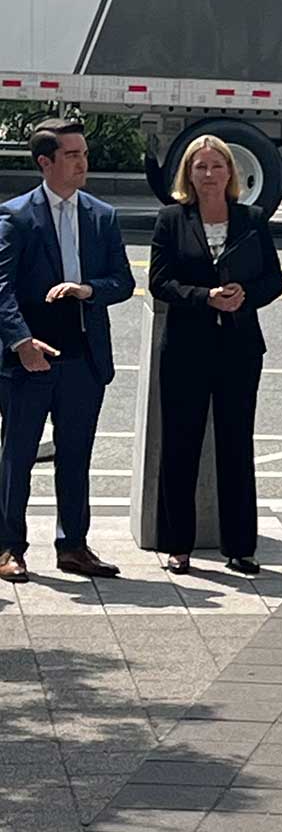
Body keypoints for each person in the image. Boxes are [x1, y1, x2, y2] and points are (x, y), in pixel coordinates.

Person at [0, 118, 135, 583]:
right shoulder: (17, 217)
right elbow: (1, 290)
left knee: (76, 456)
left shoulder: (101, 215)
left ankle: (73, 545)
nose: (83, 162)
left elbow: (123, 281)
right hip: (30, 360)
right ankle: (8, 548)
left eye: (83, 153)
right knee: (17, 455)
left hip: (84, 359)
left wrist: (87, 289)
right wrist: (21, 342)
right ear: (46, 162)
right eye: (72, 155)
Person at [149, 134, 282, 575]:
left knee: (235, 443)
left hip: (239, 347)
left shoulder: (252, 218)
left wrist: (246, 296)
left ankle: (240, 546)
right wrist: (204, 295)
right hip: (186, 347)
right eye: (200, 167)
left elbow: (275, 279)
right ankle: (177, 545)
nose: (209, 175)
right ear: (187, 173)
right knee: (180, 444)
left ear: (231, 172)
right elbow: (160, 283)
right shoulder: (171, 219)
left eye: (217, 166)